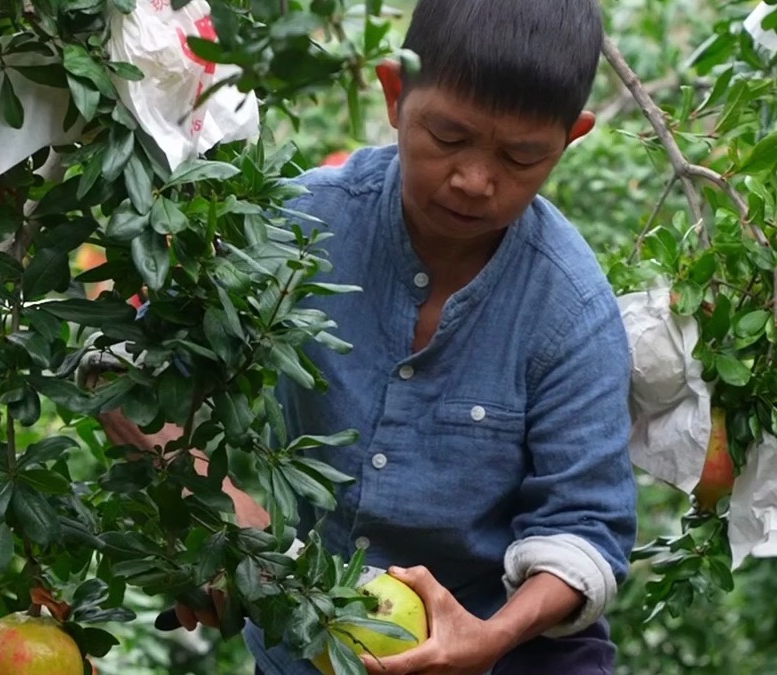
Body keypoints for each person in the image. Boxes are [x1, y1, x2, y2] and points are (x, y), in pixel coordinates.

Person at [102, 0, 637, 672]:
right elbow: (125, 371)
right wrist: (218, 514)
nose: (475, 180)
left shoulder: (572, 306)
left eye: (521, 156)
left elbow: (585, 529)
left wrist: (490, 636)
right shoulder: (290, 229)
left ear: (571, 139)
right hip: (306, 649)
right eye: (447, 137)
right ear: (394, 92)